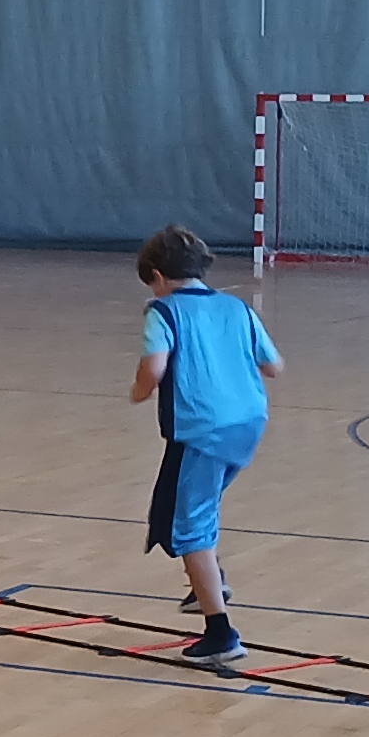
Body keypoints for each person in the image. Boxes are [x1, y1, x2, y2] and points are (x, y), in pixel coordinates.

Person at [129, 224, 281, 668]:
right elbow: (273, 366)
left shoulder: (164, 311)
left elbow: (154, 368)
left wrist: (139, 391)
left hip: (202, 429)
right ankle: (207, 583)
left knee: (190, 523)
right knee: (179, 507)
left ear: (159, 276)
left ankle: (220, 633)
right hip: (247, 423)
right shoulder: (237, 308)